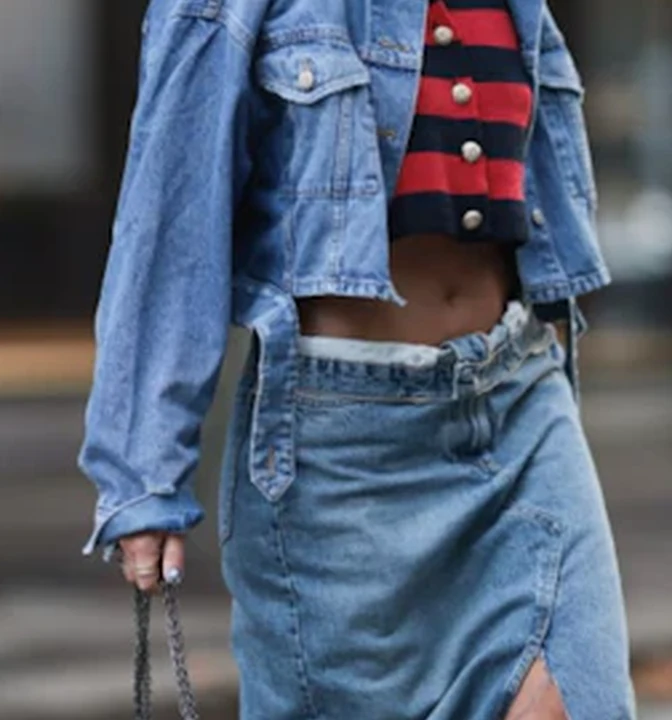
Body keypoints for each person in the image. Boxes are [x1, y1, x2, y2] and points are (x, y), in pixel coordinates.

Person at [79, 0, 634, 717]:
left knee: (581, 701)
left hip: (518, 403)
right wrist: (143, 472)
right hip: (342, 455)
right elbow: (170, 211)